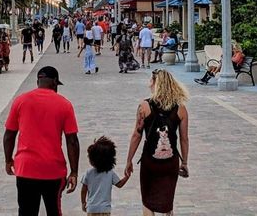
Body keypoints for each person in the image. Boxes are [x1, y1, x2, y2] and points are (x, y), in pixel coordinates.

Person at [3, 66, 80, 216]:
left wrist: (8, 160)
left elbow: (9, 135)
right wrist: (74, 172)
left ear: (38, 80)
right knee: (54, 211)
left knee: (26, 212)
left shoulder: (20, 101)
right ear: (54, 82)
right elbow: (72, 141)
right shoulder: (65, 104)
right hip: (53, 170)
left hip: (26, 169)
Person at [125, 69, 189, 216]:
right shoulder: (181, 109)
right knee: (168, 203)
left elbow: (137, 135)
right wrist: (184, 162)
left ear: (156, 84)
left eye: (151, 81)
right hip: (170, 162)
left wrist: (129, 160)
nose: (149, 85)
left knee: (147, 202)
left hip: (150, 161)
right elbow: (184, 138)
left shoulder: (144, 107)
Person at [81, 136, 130, 215]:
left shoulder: (88, 173)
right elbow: (120, 184)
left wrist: (83, 202)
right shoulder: (110, 173)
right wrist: (127, 176)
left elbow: (84, 190)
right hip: (105, 209)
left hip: (91, 209)